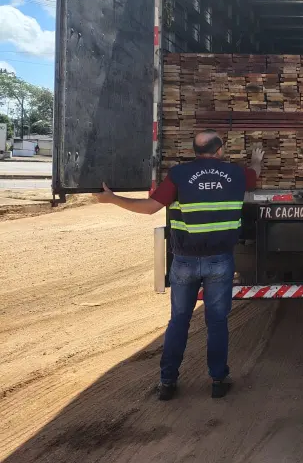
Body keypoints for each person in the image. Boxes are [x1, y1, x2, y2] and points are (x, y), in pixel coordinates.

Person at [96, 129, 263, 401]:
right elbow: (254, 175)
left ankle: (167, 382)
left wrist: (112, 198)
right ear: (220, 150)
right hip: (220, 261)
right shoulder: (236, 174)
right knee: (217, 322)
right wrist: (256, 160)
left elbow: (150, 207)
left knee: (179, 321)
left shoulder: (179, 174)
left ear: (194, 152)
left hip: (184, 261)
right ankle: (218, 380)